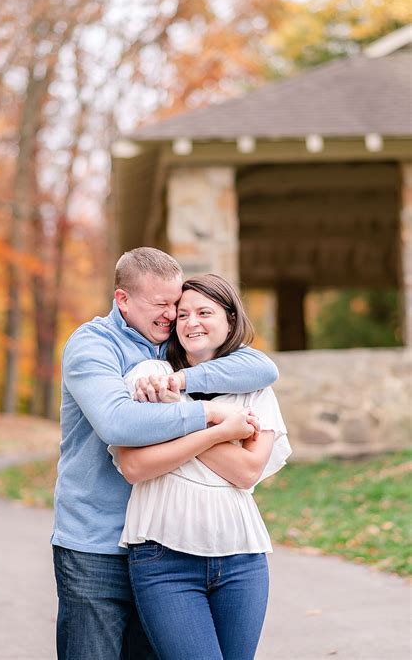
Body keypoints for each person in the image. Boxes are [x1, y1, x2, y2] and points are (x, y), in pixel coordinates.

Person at [52, 247, 279, 660]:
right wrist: (210, 414)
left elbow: (263, 368)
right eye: (163, 305)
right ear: (123, 300)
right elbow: (118, 423)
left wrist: (181, 378)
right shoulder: (93, 346)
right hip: (97, 541)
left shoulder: (170, 351)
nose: (174, 316)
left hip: (164, 541)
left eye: (176, 304)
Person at [110, 274, 291, 660]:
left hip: (242, 557)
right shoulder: (149, 380)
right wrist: (214, 427)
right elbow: (134, 465)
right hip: (163, 558)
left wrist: (176, 426)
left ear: (229, 318)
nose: (191, 322)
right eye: (183, 314)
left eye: (205, 312)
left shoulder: (255, 388)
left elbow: (246, 472)